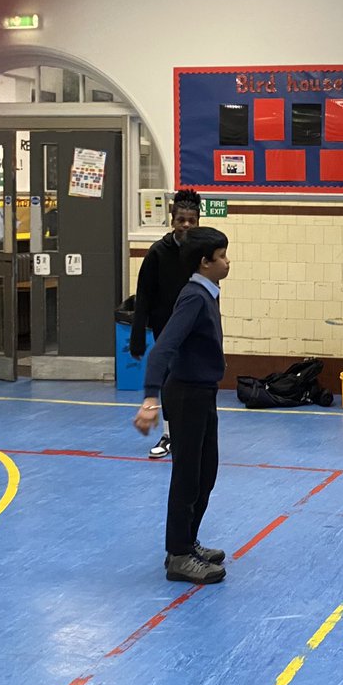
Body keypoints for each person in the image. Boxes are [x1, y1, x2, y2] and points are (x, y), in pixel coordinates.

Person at [133, 227, 231, 585]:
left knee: (206, 473)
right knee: (188, 477)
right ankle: (178, 555)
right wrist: (149, 398)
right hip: (186, 395)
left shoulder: (208, 293)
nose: (226, 262)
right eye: (221, 256)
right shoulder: (193, 297)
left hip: (203, 393)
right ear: (204, 263)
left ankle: (188, 542)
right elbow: (163, 348)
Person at [130, 189, 202, 459]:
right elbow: (144, 295)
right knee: (170, 381)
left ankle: (191, 432)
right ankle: (169, 435)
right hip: (166, 327)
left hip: (195, 329)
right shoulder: (157, 253)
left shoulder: (202, 253)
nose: (185, 225)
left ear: (197, 221)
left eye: (191, 220)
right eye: (180, 219)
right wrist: (138, 335)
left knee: (193, 382)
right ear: (172, 220)